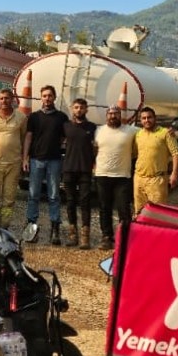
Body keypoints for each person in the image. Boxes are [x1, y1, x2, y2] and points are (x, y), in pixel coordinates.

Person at [22, 85, 68, 245]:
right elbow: (28, 137)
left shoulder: (62, 117)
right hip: (36, 160)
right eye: (44, 96)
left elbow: (63, 138)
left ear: (54, 97)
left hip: (54, 161)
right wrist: (25, 158)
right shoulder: (34, 117)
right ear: (40, 98)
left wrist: (53, 146)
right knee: (33, 195)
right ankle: (31, 227)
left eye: (50, 95)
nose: (47, 98)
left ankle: (55, 229)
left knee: (54, 195)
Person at [93, 101, 137, 248]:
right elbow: (94, 149)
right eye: (110, 114)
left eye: (116, 113)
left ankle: (125, 237)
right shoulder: (99, 131)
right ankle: (107, 237)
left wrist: (168, 131)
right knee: (104, 208)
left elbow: (148, 132)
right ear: (107, 116)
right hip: (102, 174)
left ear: (120, 115)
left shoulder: (130, 131)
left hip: (122, 176)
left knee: (123, 208)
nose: (113, 116)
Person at [0, 88, 27, 229]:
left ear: (12, 99)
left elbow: (23, 137)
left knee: (9, 198)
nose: (4, 101)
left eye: (7, 98)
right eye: (1, 98)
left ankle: (4, 226)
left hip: (13, 164)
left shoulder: (21, 118)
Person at [61, 97, 97, 249]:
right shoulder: (65, 126)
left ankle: (85, 237)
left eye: (82, 108)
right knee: (70, 202)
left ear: (86, 109)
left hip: (85, 170)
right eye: (76, 107)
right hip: (69, 168)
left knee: (85, 202)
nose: (79, 110)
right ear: (72, 108)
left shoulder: (92, 127)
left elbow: (96, 147)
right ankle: (72, 234)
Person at [133, 105, 178, 214]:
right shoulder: (138, 135)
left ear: (155, 118)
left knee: (157, 214)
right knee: (139, 213)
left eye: (149, 117)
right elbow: (134, 154)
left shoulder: (165, 133)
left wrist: (174, 174)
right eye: (144, 118)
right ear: (140, 120)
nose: (147, 120)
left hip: (157, 180)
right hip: (139, 179)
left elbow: (176, 154)